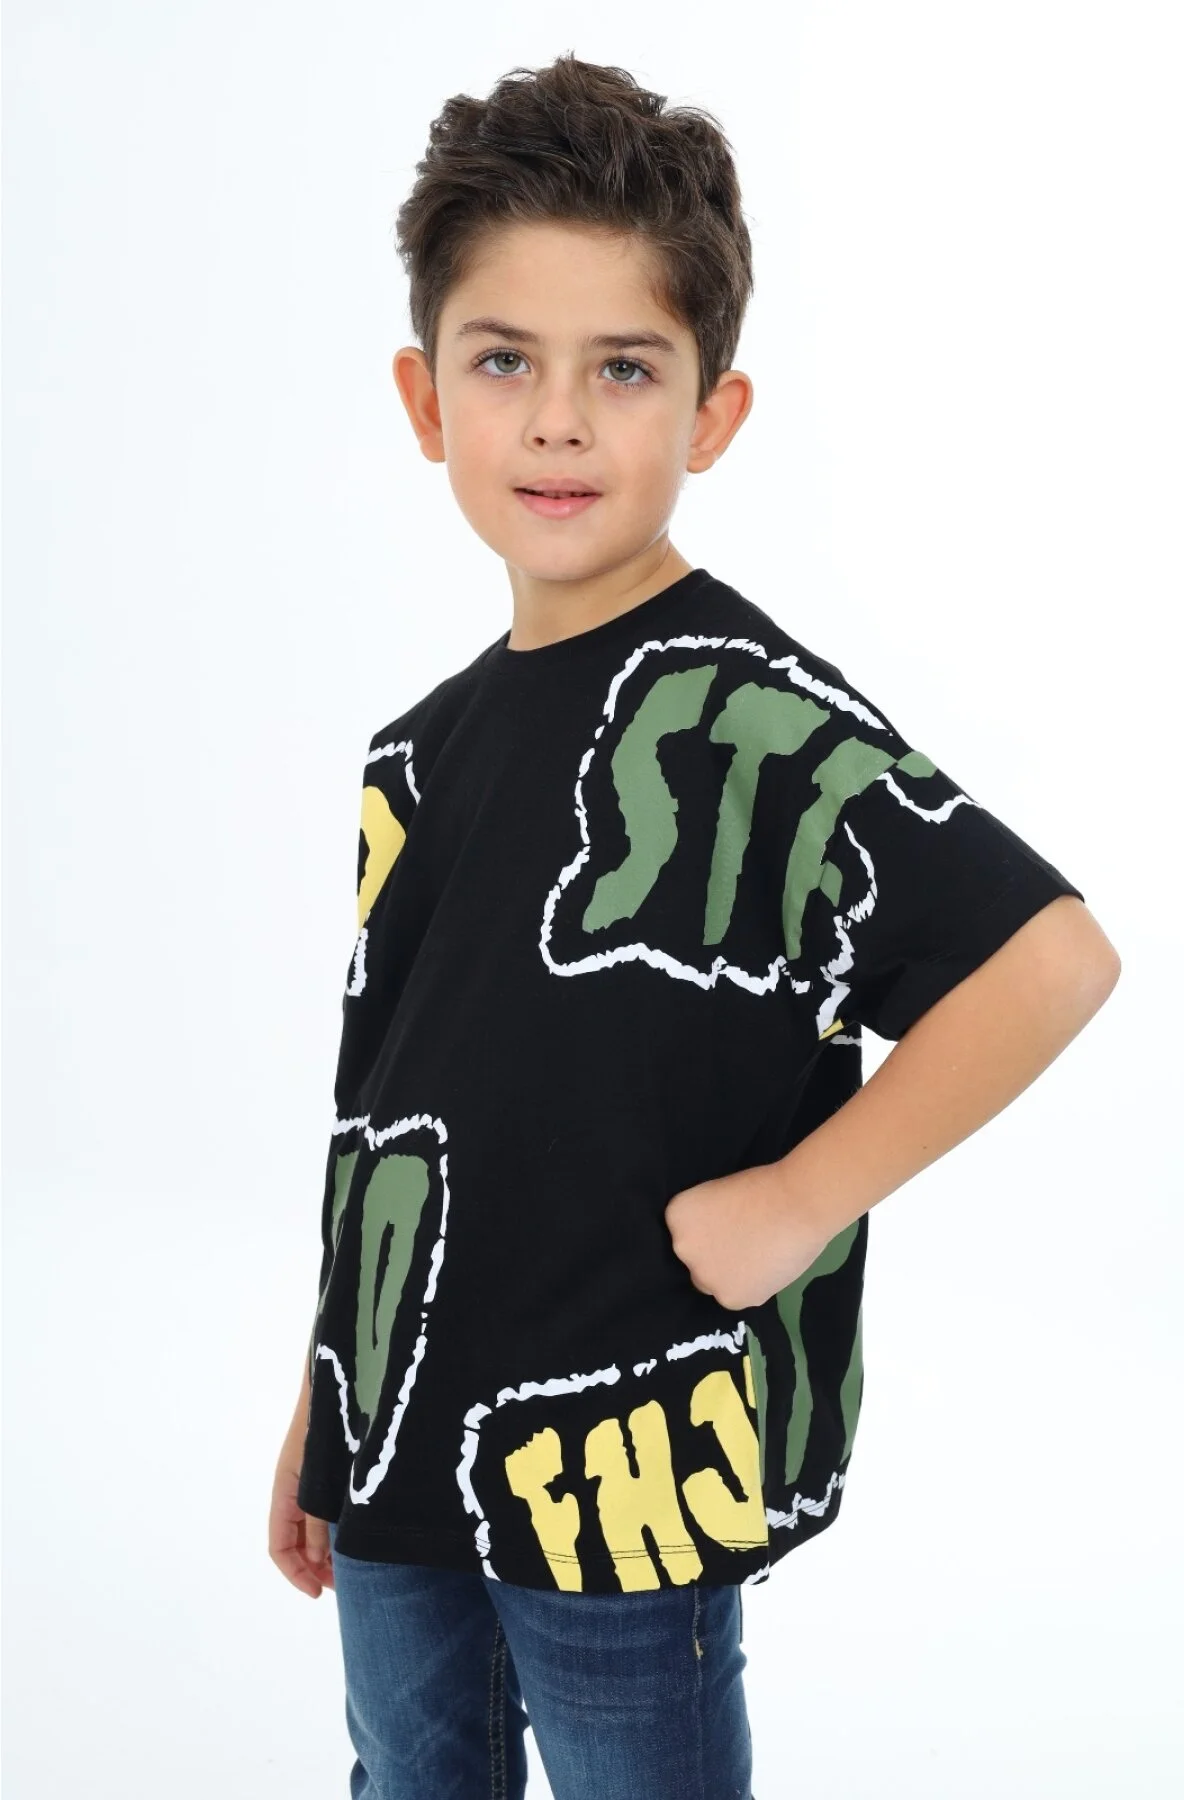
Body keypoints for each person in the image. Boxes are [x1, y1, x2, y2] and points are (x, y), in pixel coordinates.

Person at [267, 51, 1120, 1800]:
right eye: (506, 361)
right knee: (407, 1774)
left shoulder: (750, 714)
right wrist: (323, 1397)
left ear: (712, 415)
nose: (559, 421)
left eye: (624, 368)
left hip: (625, 1462)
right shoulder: (416, 754)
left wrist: (805, 1199)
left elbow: (1049, 960)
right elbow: (390, 1102)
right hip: (401, 1443)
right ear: (427, 399)